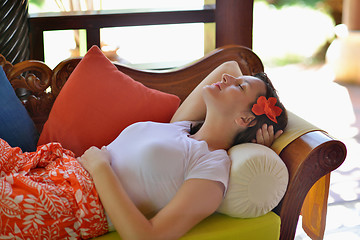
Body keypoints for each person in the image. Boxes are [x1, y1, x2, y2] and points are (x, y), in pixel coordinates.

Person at [0, 61, 287, 239]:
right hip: (45, 166)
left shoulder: (210, 168)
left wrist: (100, 168)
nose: (227, 80)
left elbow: (147, 237)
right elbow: (229, 66)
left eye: (237, 87)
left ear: (245, 119)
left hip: (68, 202)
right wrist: (247, 92)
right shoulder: (181, 127)